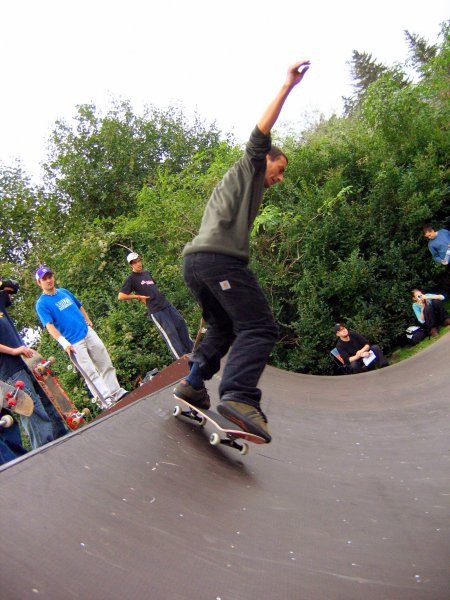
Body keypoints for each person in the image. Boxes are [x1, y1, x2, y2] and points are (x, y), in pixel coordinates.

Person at [174, 60, 311, 443]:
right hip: (219, 261)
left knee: (223, 326)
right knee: (260, 326)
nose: (279, 179)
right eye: (278, 169)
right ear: (265, 159)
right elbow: (260, 132)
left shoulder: (243, 187)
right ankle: (238, 396)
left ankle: (193, 382)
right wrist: (287, 86)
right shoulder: (250, 164)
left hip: (195, 263)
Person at [35, 266, 128, 410]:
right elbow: (49, 326)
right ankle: (105, 400)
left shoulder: (64, 292)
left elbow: (79, 306)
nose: (49, 280)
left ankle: (116, 392)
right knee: (90, 372)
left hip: (87, 332)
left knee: (104, 361)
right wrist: (64, 343)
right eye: (44, 279)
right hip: (73, 342)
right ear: (39, 283)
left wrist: (88, 320)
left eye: (50, 276)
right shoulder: (42, 303)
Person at [0, 285, 65, 452]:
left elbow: (13, 287)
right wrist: (14, 350)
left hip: (24, 362)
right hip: (9, 370)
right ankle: (45, 453)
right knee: (32, 410)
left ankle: (64, 442)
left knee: (47, 401)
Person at [118, 253, 193, 360]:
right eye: (134, 263)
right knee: (171, 334)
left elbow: (152, 288)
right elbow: (121, 296)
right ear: (131, 265)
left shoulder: (146, 273)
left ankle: (193, 353)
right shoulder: (131, 278)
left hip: (166, 305)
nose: (138, 264)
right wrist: (138, 296)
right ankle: (183, 362)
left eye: (138, 261)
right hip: (156, 310)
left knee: (181, 325)